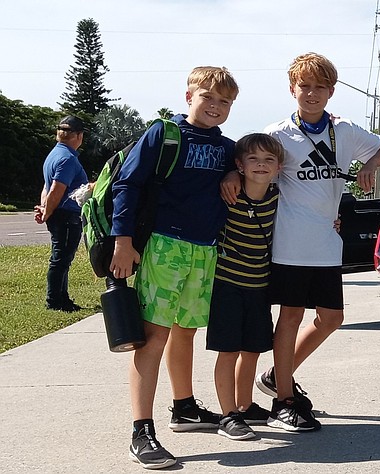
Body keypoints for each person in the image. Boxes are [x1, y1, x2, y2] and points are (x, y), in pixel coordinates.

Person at [223, 52, 380, 432]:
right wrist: (232, 178)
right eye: (305, 86)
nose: (312, 93)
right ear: (293, 89)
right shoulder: (277, 133)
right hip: (289, 241)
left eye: (320, 87)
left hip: (325, 240)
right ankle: (284, 401)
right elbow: (244, 159)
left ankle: (276, 377)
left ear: (331, 91)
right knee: (290, 316)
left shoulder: (346, 130)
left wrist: (370, 165)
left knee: (332, 318)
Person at [110, 66, 239, 469]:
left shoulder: (227, 148)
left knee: (186, 329)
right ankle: (141, 431)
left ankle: (184, 408)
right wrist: (123, 240)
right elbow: (127, 184)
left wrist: (234, 169)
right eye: (208, 98)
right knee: (153, 336)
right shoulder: (164, 134)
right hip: (164, 247)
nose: (215, 107)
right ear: (189, 97)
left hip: (205, 249)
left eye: (225, 102)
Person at [206, 133, 283, 441]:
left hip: (259, 285)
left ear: (279, 166)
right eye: (253, 159)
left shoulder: (279, 197)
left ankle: (245, 404)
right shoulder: (227, 195)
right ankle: (228, 415)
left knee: (252, 349)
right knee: (228, 351)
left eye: (268, 160)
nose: (261, 165)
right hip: (227, 284)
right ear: (239, 164)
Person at [34, 115, 89, 312]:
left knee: (63, 258)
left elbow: (46, 187)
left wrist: (45, 208)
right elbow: (57, 188)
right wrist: (48, 211)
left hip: (58, 213)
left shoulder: (54, 155)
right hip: (66, 215)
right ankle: (54, 301)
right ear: (78, 136)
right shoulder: (67, 159)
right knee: (61, 259)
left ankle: (62, 298)